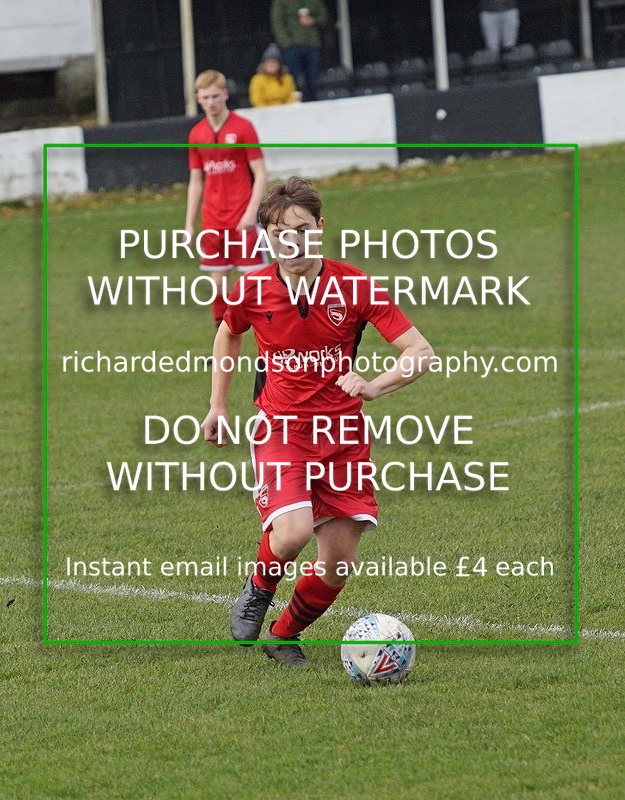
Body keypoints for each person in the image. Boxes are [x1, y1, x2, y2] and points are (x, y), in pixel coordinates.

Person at [202, 177, 435, 666]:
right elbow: (228, 333)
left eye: (301, 230)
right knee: (291, 533)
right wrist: (217, 405)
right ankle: (259, 587)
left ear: (320, 228)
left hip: (343, 436)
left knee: (339, 561)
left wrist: (375, 385)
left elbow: (419, 351)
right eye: (279, 233)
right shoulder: (254, 288)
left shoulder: (352, 285)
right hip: (281, 427)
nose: (291, 242)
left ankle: (283, 635)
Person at [185, 70, 268, 330]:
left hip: (242, 218)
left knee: (254, 285)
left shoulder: (243, 127)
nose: (211, 102)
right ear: (198, 99)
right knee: (218, 286)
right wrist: (189, 223)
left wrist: (250, 213)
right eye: (205, 97)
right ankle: (221, 347)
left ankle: (268, 347)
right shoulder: (196, 134)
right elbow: (196, 181)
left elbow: (261, 173)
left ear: (225, 95)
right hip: (213, 220)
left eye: (215, 96)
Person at [270, 1, 328, 103]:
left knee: (314, 81)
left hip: (312, 45)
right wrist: (286, 43)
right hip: (292, 47)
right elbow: (277, 22)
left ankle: (314, 105)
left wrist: (313, 20)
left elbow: (324, 18)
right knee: (293, 81)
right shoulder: (280, 2)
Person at [249, 43, 300, 108]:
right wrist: (269, 111)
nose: (271, 65)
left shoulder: (287, 78)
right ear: (263, 64)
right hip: (264, 112)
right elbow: (256, 100)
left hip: (285, 111)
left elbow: (291, 97)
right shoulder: (257, 79)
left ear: (279, 65)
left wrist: (284, 109)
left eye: (274, 62)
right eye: (269, 62)